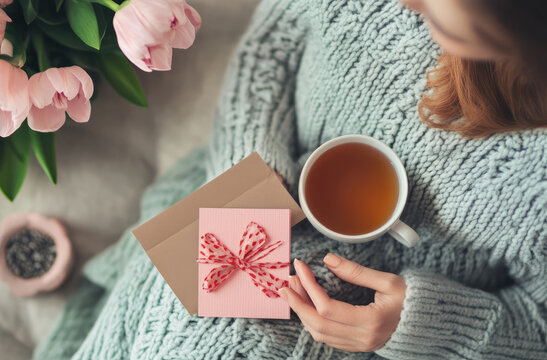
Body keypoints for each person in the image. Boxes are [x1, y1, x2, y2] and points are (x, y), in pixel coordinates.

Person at [35, 0, 546, 358]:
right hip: (249, 193)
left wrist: (421, 323)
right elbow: (272, 44)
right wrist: (248, 165)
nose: (409, 4)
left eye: (443, 14)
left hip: (365, 328)